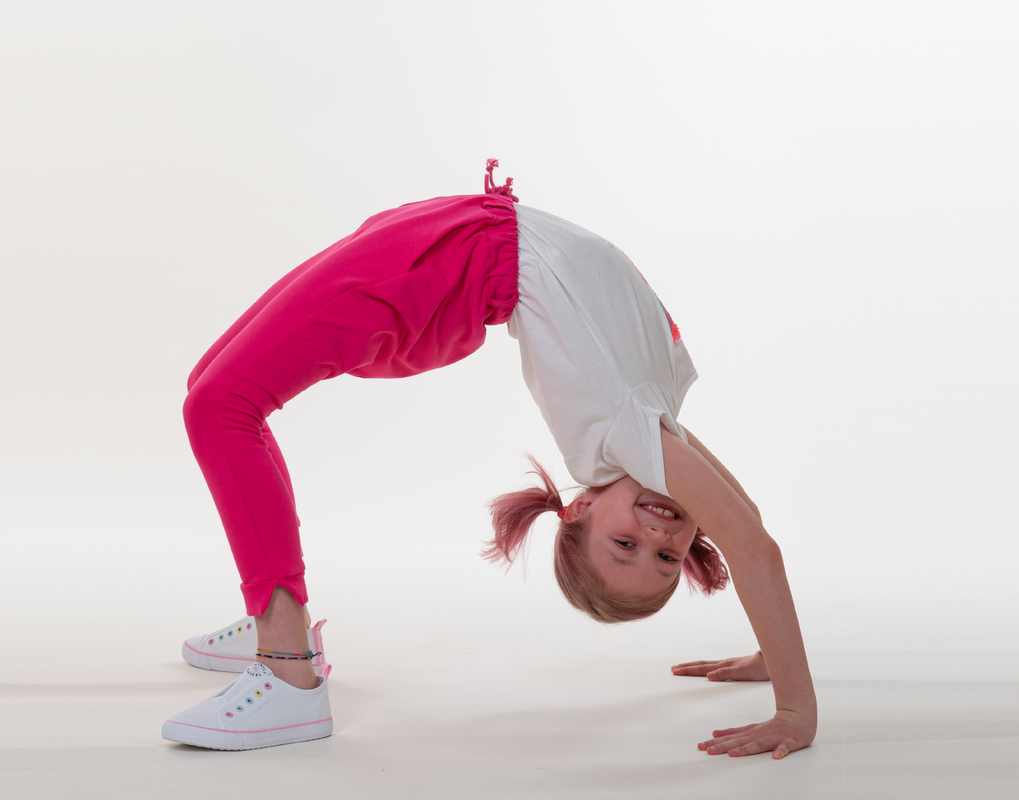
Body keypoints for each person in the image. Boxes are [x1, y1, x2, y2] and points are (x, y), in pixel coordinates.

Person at [162, 161, 816, 758]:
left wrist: (786, 696)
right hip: (459, 239)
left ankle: (286, 666)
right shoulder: (645, 432)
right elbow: (750, 534)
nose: (656, 536)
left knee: (219, 404)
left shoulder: (637, 439)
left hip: (453, 260)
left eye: (629, 547)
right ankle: (278, 622)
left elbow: (749, 540)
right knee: (211, 389)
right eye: (667, 557)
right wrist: (784, 684)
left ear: (578, 509)